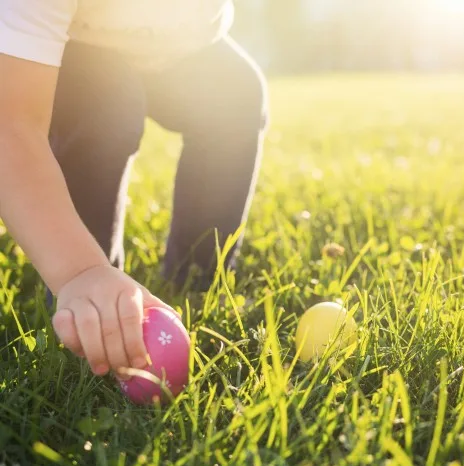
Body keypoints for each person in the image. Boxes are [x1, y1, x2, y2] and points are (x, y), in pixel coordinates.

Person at [0, 1, 268, 380]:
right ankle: (92, 306)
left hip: (180, 48)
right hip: (69, 48)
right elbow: (13, 127)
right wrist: (80, 271)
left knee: (234, 95)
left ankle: (195, 279)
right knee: (106, 105)